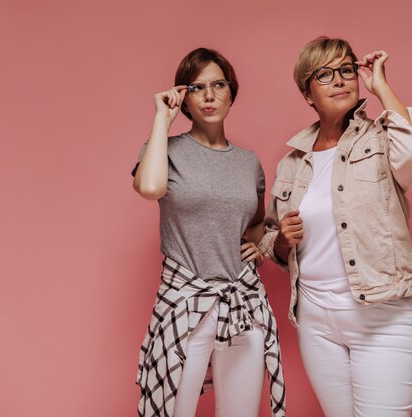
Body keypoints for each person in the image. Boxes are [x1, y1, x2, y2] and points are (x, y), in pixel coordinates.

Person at [259, 36, 412, 417]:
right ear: (307, 93)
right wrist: (281, 242)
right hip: (316, 320)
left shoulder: (381, 137)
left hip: (381, 316)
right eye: (324, 74)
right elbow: (271, 236)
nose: (340, 79)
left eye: (347, 70)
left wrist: (380, 85)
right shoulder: (294, 162)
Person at [132, 48, 285, 417]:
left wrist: (260, 248)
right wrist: (160, 121)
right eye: (198, 87)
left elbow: (254, 223)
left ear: (232, 92)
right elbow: (150, 188)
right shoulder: (165, 150)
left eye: (218, 85)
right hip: (186, 301)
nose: (210, 96)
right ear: (185, 97)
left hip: (241, 303)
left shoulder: (249, 163)